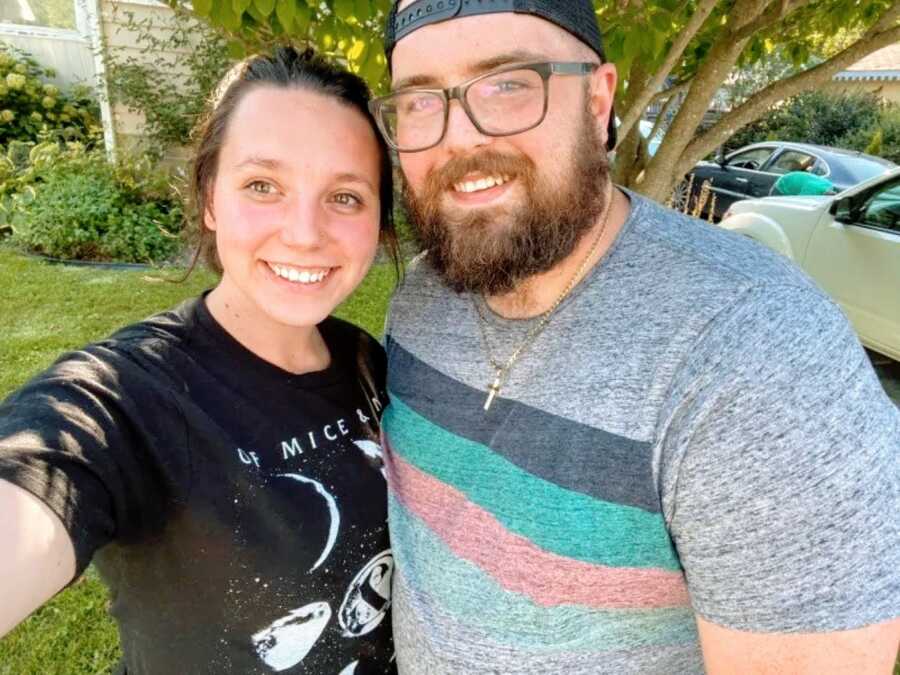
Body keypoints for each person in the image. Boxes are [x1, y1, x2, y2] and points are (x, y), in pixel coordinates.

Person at [371, 2, 900, 673]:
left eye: (507, 85)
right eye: (420, 101)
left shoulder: (758, 358)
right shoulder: (420, 297)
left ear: (598, 102)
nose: (458, 139)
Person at [0, 47, 398, 674]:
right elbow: (43, 473)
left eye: (345, 196)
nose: (304, 232)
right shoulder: (131, 396)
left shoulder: (365, 361)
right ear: (211, 199)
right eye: (262, 185)